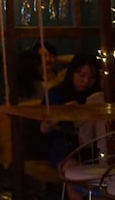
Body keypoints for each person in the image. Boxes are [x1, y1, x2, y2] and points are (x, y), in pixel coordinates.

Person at [39, 52, 102, 200]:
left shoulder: (96, 96)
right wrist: (63, 113)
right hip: (64, 148)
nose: (86, 81)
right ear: (72, 72)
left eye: (91, 77)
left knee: (105, 172)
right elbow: (43, 128)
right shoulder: (56, 94)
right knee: (74, 172)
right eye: (82, 75)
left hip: (92, 148)